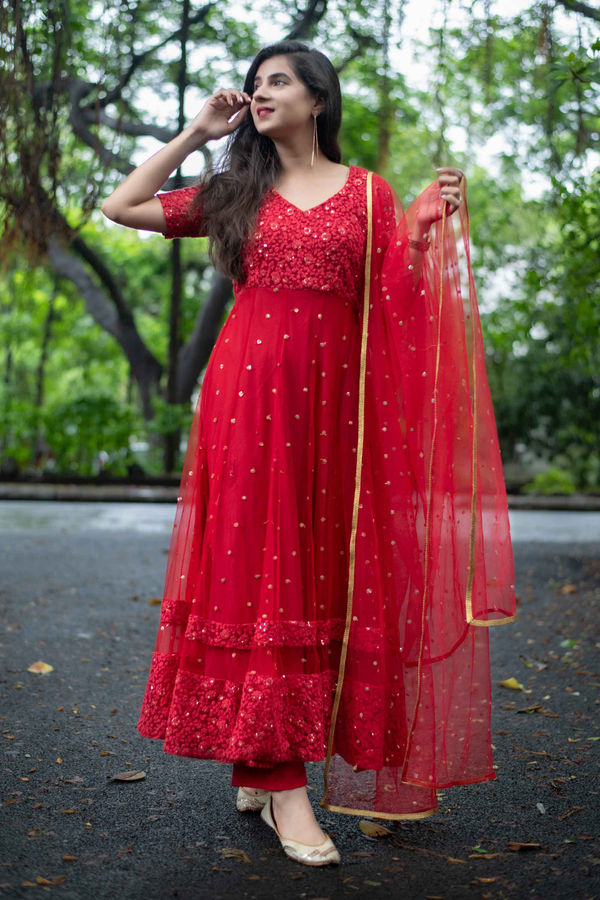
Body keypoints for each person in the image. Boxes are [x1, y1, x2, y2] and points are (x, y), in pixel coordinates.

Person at [102, 40, 516, 868]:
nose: (260, 93)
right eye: (255, 84)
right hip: (248, 404)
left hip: (336, 416)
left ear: (318, 98)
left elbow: (396, 304)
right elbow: (122, 205)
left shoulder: (368, 195)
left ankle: (264, 756)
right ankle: (280, 783)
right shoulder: (236, 191)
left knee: (320, 578)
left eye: (278, 81)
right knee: (259, 577)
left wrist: (425, 227)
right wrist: (193, 131)